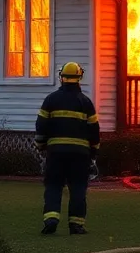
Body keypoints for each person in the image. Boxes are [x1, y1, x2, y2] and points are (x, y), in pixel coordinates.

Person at [35, 62, 100, 235]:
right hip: (80, 155)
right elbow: (94, 130)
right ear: (79, 78)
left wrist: (41, 146)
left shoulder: (51, 99)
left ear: (61, 77)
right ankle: (76, 225)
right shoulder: (85, 102)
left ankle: (51, 219)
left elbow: (41, 125)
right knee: (78, 187)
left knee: (54, 185)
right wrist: (93, 153)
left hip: (55, 153)